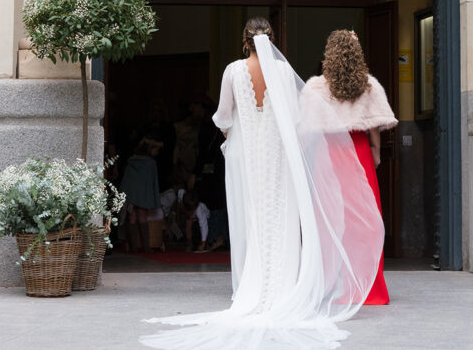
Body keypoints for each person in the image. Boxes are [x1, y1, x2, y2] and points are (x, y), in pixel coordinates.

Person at [141, 18, 384, 349]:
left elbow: (223, 116)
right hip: (277, 154)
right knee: (279, 215)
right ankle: (282, 287)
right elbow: (296, 119)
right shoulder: (283, 74)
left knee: (250, 216)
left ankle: (250, 288)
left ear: (245, 43)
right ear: (271, 42)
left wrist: (234, 133)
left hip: (245, 155)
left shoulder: (232, 71)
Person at [302, 30, 398, 305]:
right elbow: (374, 126)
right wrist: (376, 153)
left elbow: (307, 129)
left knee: (331, 219)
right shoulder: (369, 86)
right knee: (367, 220)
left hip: (329, 154)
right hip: (358, 152)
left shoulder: (315, 87)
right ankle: (370, 288)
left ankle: (335, 284)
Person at [120, 136, 163, 254]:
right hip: (143, 194)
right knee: (142, 217)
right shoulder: (150, 163)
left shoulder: (131, 161)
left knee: (132, 217)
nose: (156, 152)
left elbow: (126, 179)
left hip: (131, 193)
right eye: (155, 150)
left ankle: (134, 248)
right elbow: (152, 182)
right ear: (149, 149)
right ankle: (146, 248)